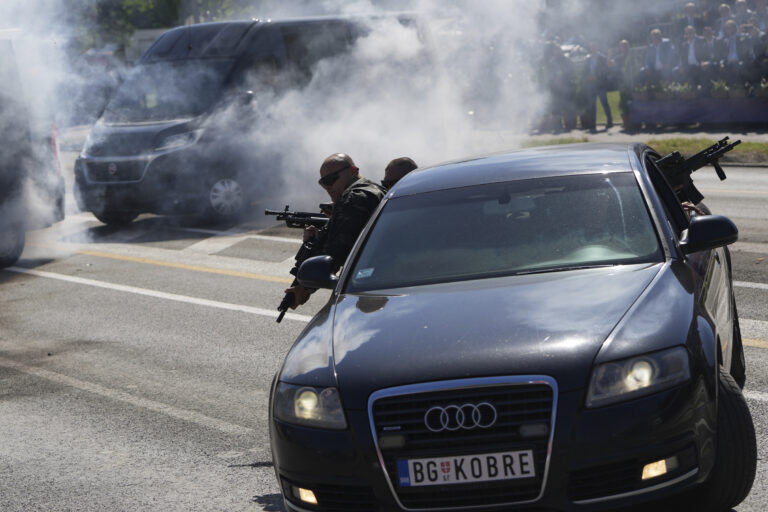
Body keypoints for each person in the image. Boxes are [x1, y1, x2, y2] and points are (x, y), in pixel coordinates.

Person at [285, 153, 385, 309]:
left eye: (331, 179)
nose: (327, 186)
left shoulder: (353, 199)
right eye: (323, 182)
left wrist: (304, 289)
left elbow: (335, 253)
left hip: (369, 285)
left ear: (353, 171)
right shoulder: (376, 189)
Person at [582, 40, 613, 131]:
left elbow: (605, 71)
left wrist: (597, 77)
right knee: (592, 105)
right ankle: (592, 124)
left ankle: (610, 121)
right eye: (592, 47)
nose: (593, 48)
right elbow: (584, 71)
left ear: (597, 47)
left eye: (595, 46)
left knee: (604, 103)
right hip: (591, 84)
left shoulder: (602, 58)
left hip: (600, 84)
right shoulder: (587, 58)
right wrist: (587, 77)